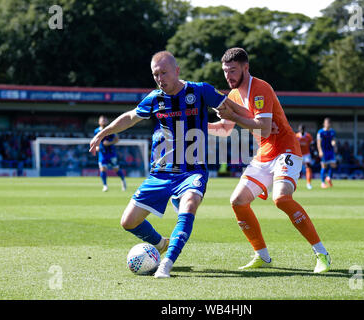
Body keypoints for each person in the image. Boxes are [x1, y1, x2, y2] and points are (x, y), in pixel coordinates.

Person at [90, 51, 228, 278]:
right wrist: (104, 132)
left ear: (176, 70)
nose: (159, 78)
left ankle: (167, 263)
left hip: (192, 170)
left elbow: (229, 107)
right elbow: (131, 117)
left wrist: (257, 122)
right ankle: (160, 243)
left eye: (163, 73)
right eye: (155, 74)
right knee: (128, 222)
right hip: (161, 174)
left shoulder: (198, 90)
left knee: (190, 202)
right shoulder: (155, 98)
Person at [209, 47, 331, 273]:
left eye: (233, 71)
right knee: (237, 201)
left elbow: (264, 129)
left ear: (246, 68)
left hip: (286, 149)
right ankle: (262, 256)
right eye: (226, 72)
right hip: (264, 155)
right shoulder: (233, 96)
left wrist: (232, 115)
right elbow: (226, 129)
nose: (229, 76)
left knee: (282, 198)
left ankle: (321, 253)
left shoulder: (261, 88)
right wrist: (199, 127)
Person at [94, 115, 127, 192]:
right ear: (99, 122)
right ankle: (105, 186)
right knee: (103, 169)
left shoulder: (111, 129)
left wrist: (109, 143)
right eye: (102, 120)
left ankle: (123, 180)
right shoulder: (96, 131)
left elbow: (117, 139)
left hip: (111, 153)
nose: (103, 121)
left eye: (104, 120)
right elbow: (96, 141)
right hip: (102, 153)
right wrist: (97, 147)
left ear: (107, 121)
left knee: (116, 169)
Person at [316, 118, 337, 189]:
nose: (327, 124)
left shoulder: (332, 132)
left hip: (330, 151)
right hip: (324, 151)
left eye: (329, 123)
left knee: (333, 165)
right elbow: (318, 143)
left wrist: (334, 145)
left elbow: (333, 140)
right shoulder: (320, 132)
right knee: (324, 166)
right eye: (326, 123)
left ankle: (328, 178)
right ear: (324, 124)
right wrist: (320, 151)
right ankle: (322, 183)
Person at [295, 124, 314, 189]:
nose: (301, 130)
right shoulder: (296, 136)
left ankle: (308, 183)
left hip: (306, 154)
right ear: (299, 129)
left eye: (302, 129)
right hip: (298, 154)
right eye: (300, 129)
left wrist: (314, 152)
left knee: (308, 167)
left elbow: (312, 145)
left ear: (304, 129)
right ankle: (294, 183)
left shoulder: (308, 136)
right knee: (295, 169)